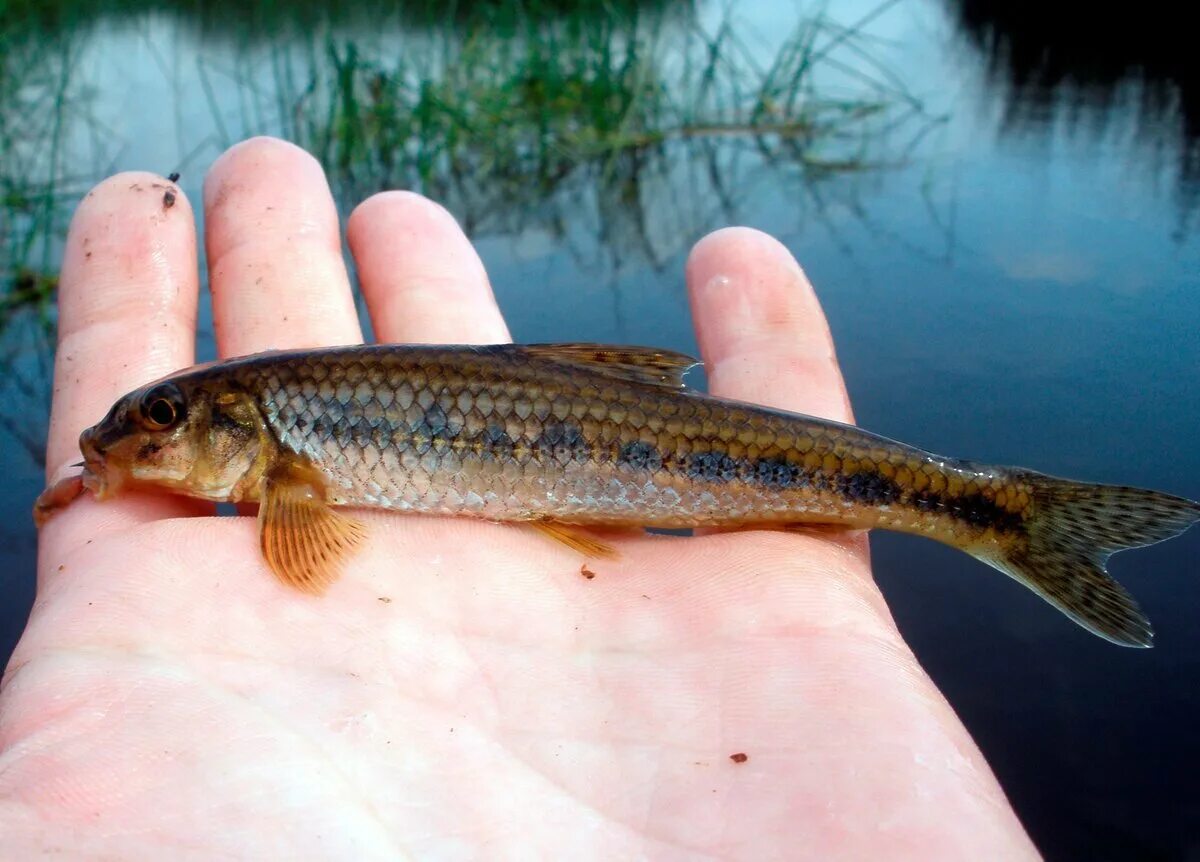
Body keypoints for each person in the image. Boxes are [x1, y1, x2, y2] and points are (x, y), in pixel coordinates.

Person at [0, 138, 1038, 859]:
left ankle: (987, 512)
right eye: (151, 424)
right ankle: (977, 510)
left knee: (821, 475)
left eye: (163, 421)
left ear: (238, 428)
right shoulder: (261, 431)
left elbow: (303, 551)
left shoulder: (282, 458)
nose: (137, 440)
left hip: (635, 444)